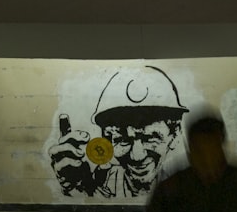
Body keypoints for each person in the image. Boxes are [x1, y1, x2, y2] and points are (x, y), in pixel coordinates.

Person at [49, 66, 188, 198]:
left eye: (150, 137)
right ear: (108, 141)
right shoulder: (101, 183)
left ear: (175, 135)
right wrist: (78, 188)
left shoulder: (187, 187)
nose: (137, 156)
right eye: (122, 139)